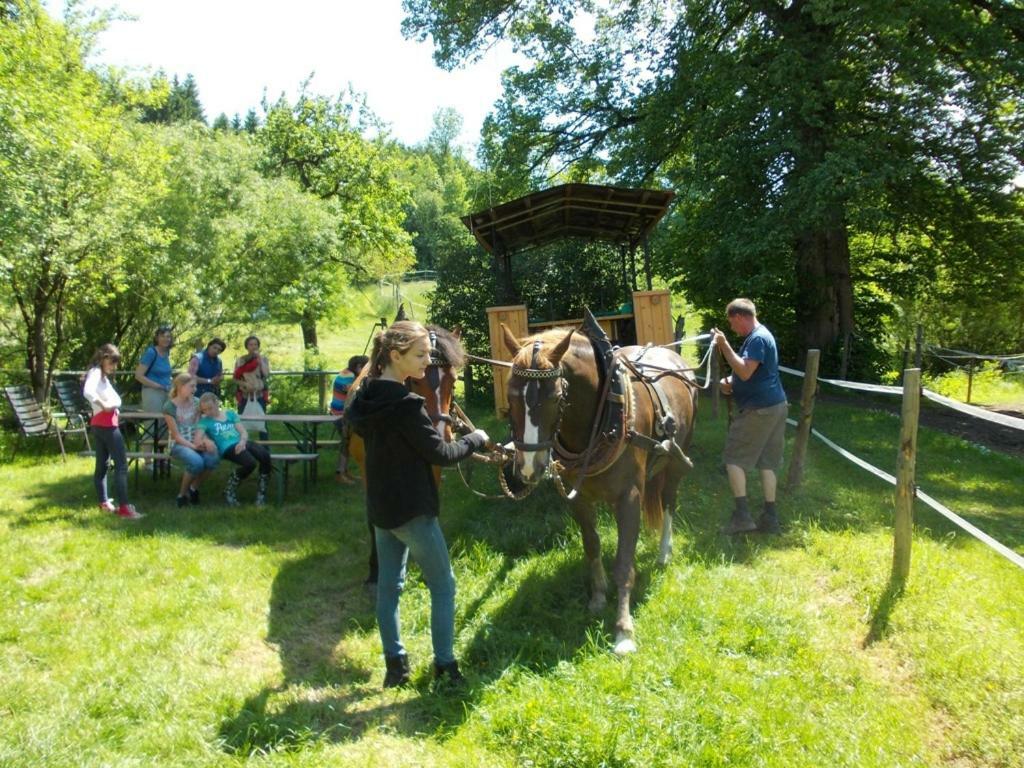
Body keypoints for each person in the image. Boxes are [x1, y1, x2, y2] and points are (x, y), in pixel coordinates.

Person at [346, 321, 490, 689]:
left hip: (381, 510)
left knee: (389, 588)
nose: (429, 360)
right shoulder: (408, 406)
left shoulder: (365, 399)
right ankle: (445, 666)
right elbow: (441, 453)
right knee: (444, 586)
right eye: (421, 354)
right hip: (413, 512)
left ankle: (396, 666)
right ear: (396, 356)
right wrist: (476, 438)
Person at [710, 298, 789, 535]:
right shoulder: (760, 337)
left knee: (733, 459)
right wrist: (732, 383)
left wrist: (724, 345)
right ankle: (770, 518)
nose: (733, 328)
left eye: (732, 324)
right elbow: (755, 374)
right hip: (774, 406)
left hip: (759, 410)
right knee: (767, 463)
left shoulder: (757, 339)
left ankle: (743, 517)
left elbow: (744, 371)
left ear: (740, 317)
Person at [83, 344, 143, 520]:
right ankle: (124, 508)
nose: (114, 366)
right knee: (121, 466)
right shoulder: (95, 373)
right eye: (112, 362)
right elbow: (87, 392)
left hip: (100, 423)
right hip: (106, 424)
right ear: (103, 357)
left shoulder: (101, 376)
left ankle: (103, 502)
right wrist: (104, 405)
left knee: (102, 464)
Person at [195, 392, 272, 506]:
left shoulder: (230, 414)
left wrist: (242, 441)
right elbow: (197, 439)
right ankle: (229, 489)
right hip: (226, 447)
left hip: (241, 442)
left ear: (217, 403)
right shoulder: (205, 421)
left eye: (210, 408)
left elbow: (243, 431)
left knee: (265, 455)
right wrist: (206, 442)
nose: (208, 412)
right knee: (250, 463)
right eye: (205, 410)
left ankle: (261, 493)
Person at [164, 373, 220, 508]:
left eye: (195, 386)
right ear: (181, 387)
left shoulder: (196, 402)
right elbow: (176, 436)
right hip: (179, 443)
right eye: (192, 386)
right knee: (196, 462)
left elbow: (203, 424)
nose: (195, 389)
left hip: (197, 439)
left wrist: (205, 441)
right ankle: (181, 495)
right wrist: (194, 447)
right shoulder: (169, 407)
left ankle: (193, 488)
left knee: (213, 458)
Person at [330, 354, 369, 484]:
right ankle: (340, 473)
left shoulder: (346, 373)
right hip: (342, 414)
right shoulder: (348, 376)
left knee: (346, 444)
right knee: (346, 444)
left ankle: (345, 472)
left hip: (340, 413)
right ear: (358, 367)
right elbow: (351, 391)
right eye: (365, 368)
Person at [135, 325, 175, 452]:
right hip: (151, 392)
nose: (166, 339)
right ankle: (147, 460)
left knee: (164, 425)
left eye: (168, 336)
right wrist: (156, 385)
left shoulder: (167, 353)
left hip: (166, 392)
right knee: (151, 425)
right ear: (157, 337)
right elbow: (138, 375)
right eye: (162, 336)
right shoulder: (151, 352)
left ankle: (160, 459)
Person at [233, 334, 270, 441]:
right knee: (241, 422)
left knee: (263, 422)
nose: (253, 346)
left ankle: (265, 449)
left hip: (259, 395)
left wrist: (259, 359)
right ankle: (242, 446)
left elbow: (266, 374)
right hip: (244, 395)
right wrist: (245, 385)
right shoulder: (241, 360)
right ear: (246, 346)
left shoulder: (263, 359)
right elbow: (235, 378)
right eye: (251, 344)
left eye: (255, 344)